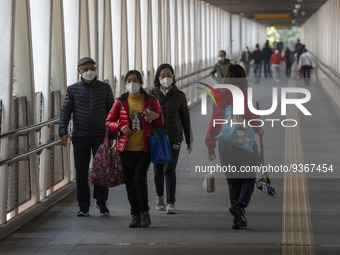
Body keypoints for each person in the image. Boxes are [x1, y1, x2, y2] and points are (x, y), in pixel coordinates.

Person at [205, 64, 264, 229]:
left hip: (223, 143)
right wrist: (259, 129)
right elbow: (252, 117)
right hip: (241, 142)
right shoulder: (244, 94)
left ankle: (238, 219)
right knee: (249, 176)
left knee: (233, 181)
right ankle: (240, 206)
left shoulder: (218, 97)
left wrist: (210, 146)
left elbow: (213, 123)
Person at [106, 70, 163, 228]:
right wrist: (120, 126)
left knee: (139, 179)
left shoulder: (150, 101)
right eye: (129, 80)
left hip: (145, 149)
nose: (132, 83)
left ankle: (144, 212)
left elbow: (160, 123)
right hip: (125, 149)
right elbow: (109, 121)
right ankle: (135, 214)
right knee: (130, 182)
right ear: (125, 84)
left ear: (141, 83)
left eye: (135, 80)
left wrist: (155, 117)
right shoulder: (120, 102)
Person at [59, 57, 115, 217]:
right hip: (80, 136)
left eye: (92, 68)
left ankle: (101, 201)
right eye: (85, 69)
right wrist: (63, 131)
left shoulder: (104, 88)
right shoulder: (72, 89)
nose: (89, 71)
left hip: (100, 135)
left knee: (102, 170)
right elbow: (65, 111)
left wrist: (111, 134)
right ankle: (83, 206)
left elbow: (112, 112)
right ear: (79, 71)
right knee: (82, 173)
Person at [149, 64, 193, 214]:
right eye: (162, 76)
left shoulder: (179, 95)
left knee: (170, 169)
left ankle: (170, 202)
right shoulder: (151, 94)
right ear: (157, 77)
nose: (165, 78)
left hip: (174, 137)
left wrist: (189, 140)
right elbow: (145, 115)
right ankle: (160, 197)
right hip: (157, 137)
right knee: (158, 169)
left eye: (168, 75)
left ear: (173, 76)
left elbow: (185, 118)